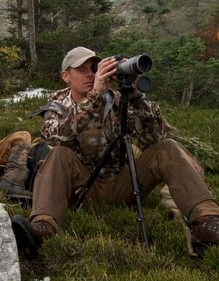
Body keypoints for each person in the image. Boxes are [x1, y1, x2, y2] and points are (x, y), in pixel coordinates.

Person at [11, 46, 219, 259]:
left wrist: (137, 95)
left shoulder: (119, 100)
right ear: (66, 76)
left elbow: (154, 137)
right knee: (59, 154)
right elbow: (57, 137)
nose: (90, 74)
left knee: (168, 148)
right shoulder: (56, 106)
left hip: (121, 183)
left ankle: (207, 222)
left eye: (94, 68)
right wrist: (94, 96)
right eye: (82, 70)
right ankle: (43, 225)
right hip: (82, 188)